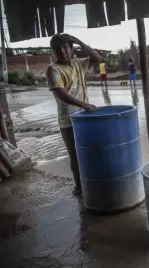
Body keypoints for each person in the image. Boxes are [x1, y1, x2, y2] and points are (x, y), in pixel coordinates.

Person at [46, 33, 101, 197]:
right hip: (69, 121)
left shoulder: (78, 64)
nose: (62, 52)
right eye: (58, 49)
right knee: (75, 155)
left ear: (71, 49)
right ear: (54, 52)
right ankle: (79, 187)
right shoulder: (53, 69)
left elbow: (97, 58)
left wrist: (79, 41)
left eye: (65, 47)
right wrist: (84, 105)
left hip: (85, 118)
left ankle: (91, 182)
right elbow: (60, 93)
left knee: (91, 151)